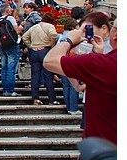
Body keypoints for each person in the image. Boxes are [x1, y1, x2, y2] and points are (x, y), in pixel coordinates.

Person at [44, 14, 116, 144]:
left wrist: (69, 40)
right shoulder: (104, 61)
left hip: (104, 148)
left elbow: (50, 61)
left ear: (114, 34)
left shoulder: (104, 62)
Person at [22, 12, 59, 105]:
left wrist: (30, 46)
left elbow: (24, 37)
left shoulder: (35, 27)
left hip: (34, 52)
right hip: (45, 50)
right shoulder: (50, 26)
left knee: (35, 76)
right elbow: (53, 35)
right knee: (48, 75)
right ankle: (52, 99)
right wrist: (52, 46)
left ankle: (35, 98)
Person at [0, 3, 23, 96]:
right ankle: (10, 90)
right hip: (12, 46)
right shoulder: (10, 18)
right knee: (11, 68)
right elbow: (17, 31)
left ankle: (5, 89)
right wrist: (22, 26)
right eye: (10, 9)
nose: (12, 10)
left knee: (4, 68)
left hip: (2, 47)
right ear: (7, 11)